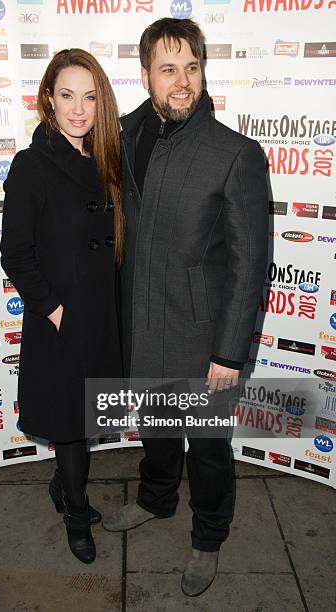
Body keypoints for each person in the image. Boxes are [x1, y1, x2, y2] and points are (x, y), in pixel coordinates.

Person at [102, 18, 269, 596]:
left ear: (203, 71)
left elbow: (251, 265)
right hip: (142, 320)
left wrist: (229, 351)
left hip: (202, 335)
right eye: (168, 69)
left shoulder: (234, 155)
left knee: (208, 447)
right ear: (145, 73)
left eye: (191, 68)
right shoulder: (125, 133)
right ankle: (155, 499)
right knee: (155, 426)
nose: (182, 82)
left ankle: (208, 537)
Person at [0, 49, 123, 564]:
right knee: (72, 426)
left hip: (101, 315)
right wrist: (55, 311)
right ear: (48, 98)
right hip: (63, 322)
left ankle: (60, 486)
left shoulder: (104, 156)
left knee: (85, 418)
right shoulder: (33, 166)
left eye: (90, 97)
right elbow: (15, 253)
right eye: (67, 95)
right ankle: (76, 510)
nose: (78, 109)